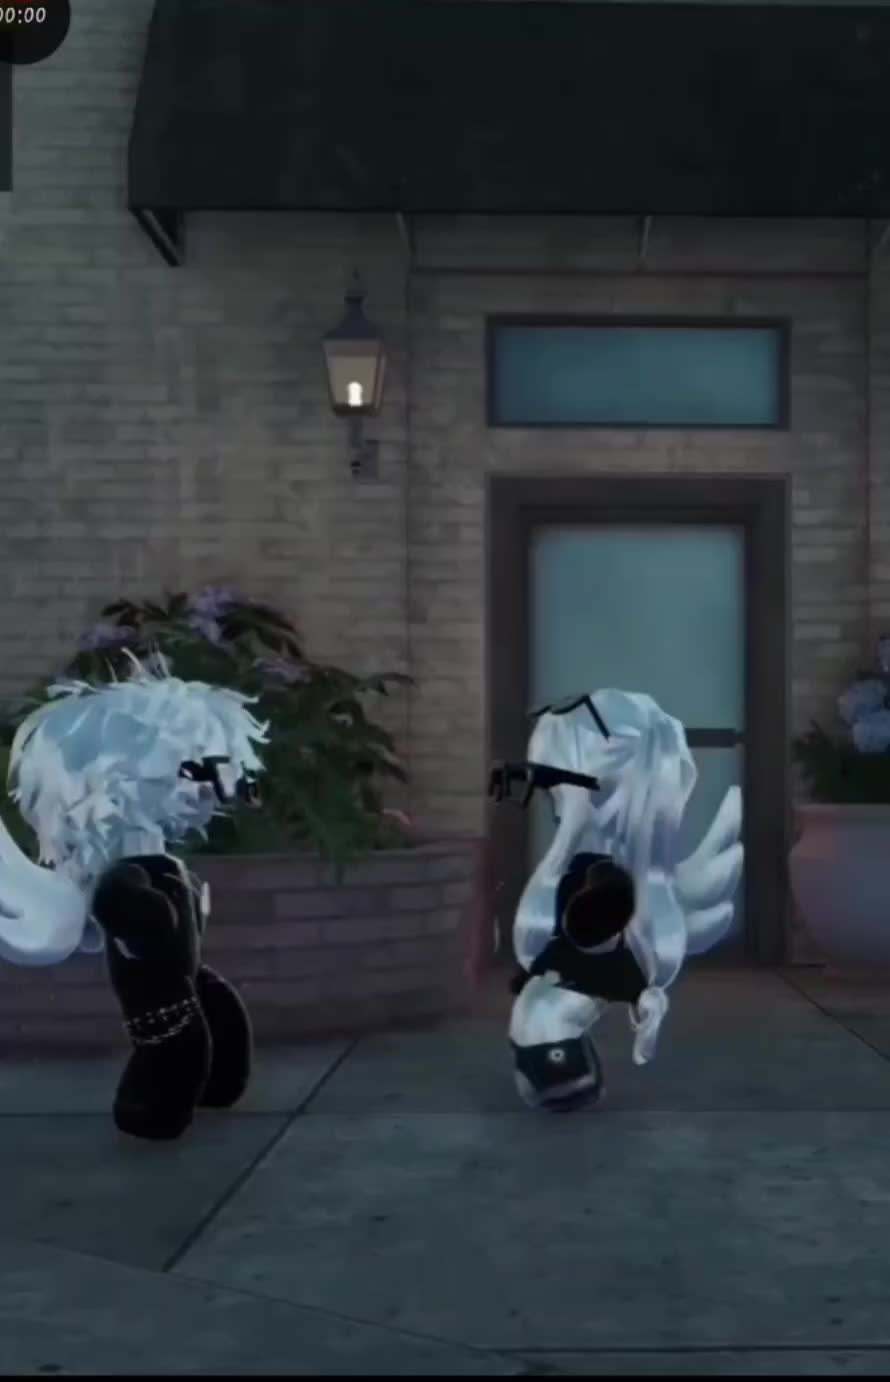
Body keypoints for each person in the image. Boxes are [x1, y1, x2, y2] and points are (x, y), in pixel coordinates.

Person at [0, 653, 268, 1140]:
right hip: (173, 1007)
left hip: (176, 1006)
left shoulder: (147, 870)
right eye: (197, 770)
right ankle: (185, 1095)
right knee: (175, 1060)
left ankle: (193, 1091)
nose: (214, 786)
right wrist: (145, 920)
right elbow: (135, 916)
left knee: (186, 1038)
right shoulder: (127, 878)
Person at [489, 690, 743, 1111]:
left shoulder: (602, 897)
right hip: (558, 1023)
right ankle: (562, 1075)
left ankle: (562, 1076)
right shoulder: (591, 880)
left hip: (557, 1034)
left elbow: (593, 937)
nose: (545, 794)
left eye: (551, 780)